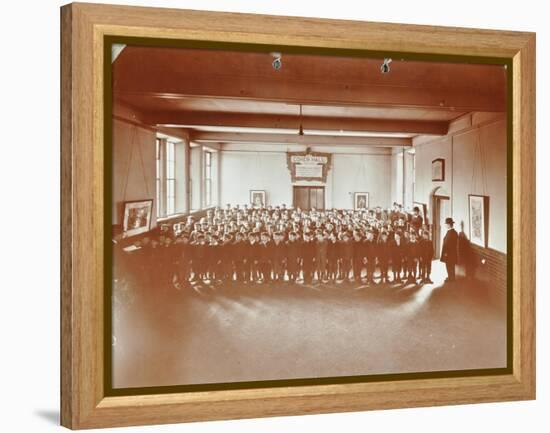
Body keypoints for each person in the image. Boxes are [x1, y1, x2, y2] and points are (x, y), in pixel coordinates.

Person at [440, 217, 458, 282]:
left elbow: (450, 245)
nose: (445, 225)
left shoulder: (452, 233)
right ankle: (450, 277)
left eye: (446, 224)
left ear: (449, 224)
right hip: (449, 253)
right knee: (449, 265)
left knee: (450, 266)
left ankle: (451, 278)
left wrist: (446, 253)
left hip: (449, 253)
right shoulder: (451, 232)